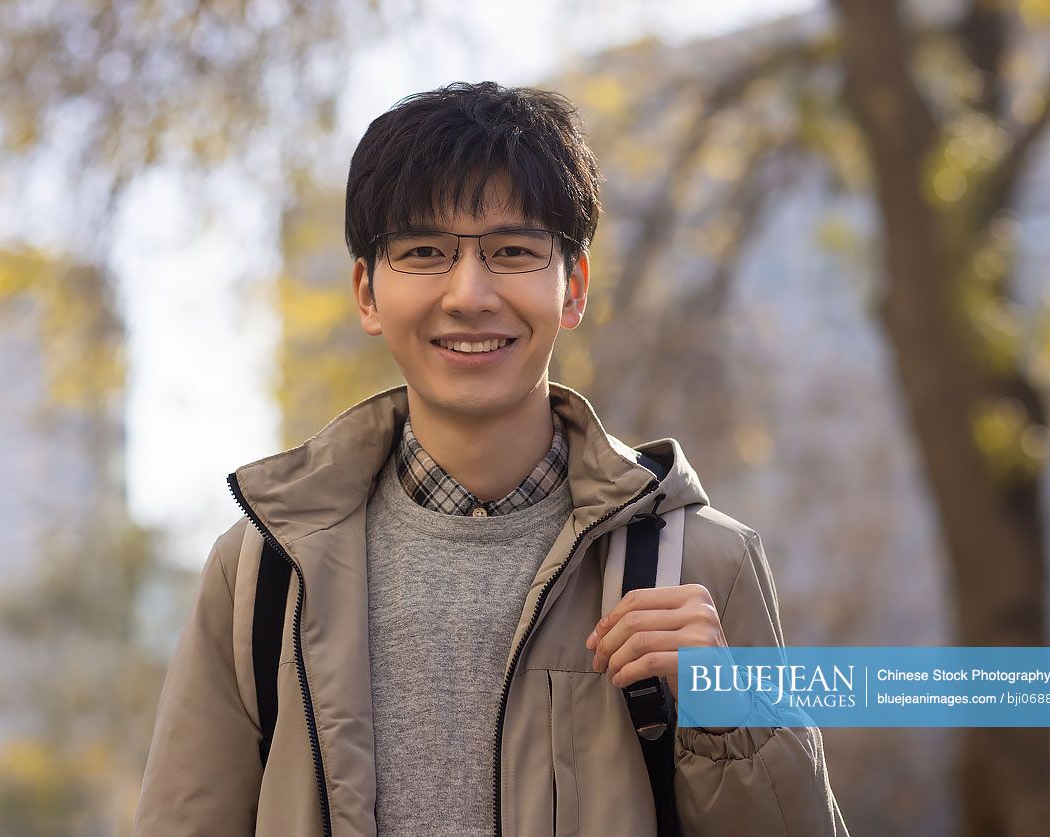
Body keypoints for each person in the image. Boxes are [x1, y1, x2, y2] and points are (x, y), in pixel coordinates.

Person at [133, 81, 849, 836]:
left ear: (571, 287)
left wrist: (731, 708)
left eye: (511, 251)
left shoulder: (702, 559)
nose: (468, 293)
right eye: (422, 252)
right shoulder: (262, 572)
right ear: (366, 294)